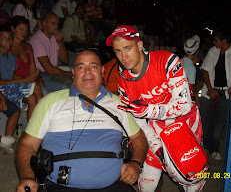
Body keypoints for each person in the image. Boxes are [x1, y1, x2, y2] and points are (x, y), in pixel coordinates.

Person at [15, 50, 148, 191]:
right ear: (73, 73)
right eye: (81, 67)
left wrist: (135, 163)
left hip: (113, 186)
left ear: (103, 71)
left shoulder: (118, 104)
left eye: (93, 66)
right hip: (60, 186)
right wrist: (27, 178)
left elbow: (139, 137)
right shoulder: (49, 102)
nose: (88, 71)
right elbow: (27, 144)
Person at [106, 25, 204, 192]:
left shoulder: (167, 60)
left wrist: (147, 110)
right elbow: (138, 121)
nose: (123, 56)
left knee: (192, 179)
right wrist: (155, 145)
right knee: (148, 183)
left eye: (127, 48)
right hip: (155, 130)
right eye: (118, 51)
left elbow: (184, 105)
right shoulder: (123, 83)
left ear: (139, 45)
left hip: (186, 127)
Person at [199, 28, 231, 160]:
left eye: (216, 40)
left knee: (218, 124)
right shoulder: (212, 51)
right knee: (204, 121)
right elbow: (205, 71)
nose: (213, 42)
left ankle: (214, 148)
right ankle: (204, 147)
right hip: (209, 91)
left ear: (224, 41)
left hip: (226, 93)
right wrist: (210, 89)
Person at [0, 24, 41, 120]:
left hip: (9, 87)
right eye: (4, 38)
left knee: (31, 98)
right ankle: (42, 121)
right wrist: (26, 80)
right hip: (2, 89)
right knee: (36, 87)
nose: (8, 41)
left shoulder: (11, 57)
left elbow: (13, 76)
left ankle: (31, 131)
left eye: (10, 38)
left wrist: (29, 80)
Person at [29, 12, 73, 95]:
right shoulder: (37, 40)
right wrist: (70, 74)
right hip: (41, 75)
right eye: (53, 24)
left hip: (52, 71)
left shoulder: (53, 37)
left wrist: (60, 42)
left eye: (57, 24)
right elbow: (49, 69)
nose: (56, 27)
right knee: (69, 82)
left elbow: (65, 60)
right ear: (44, 23)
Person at [10, 16, 44, 92]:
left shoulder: (28, 47)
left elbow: (33, 70)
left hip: (31, 80)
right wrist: (27, 80)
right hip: (17, 82)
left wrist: (38, 78)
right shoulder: (7, 48)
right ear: (13, 29)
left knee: (61, 87)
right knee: (40, 91)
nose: (24, 33)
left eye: (26, 30)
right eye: (21, 29)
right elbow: (8, 74)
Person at [181, 35, 203, 106]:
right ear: (197, 52)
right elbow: (191, 88)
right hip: (186, 101)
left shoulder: (179, 61)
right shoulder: (191, 67)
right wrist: (199, 85)